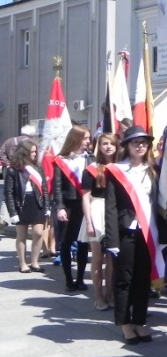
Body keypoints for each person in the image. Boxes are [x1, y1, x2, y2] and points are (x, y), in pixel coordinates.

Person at [104, 126, 159, 344]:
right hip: (125, 232)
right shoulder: (116, 171)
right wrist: (112, 240)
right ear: (127, 146)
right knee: (124, 279)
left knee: (143, 279)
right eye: (135, 142)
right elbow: (110, 207)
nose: (140, 146)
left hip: (148, 232)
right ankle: (125, 324)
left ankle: (139, 322)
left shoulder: (153, 169)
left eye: (144, 142)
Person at [53, 126, 93, 292]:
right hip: (68, 205)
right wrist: (60, 207)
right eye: (85, 138)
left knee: (83, 243)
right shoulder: (61, 160)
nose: (88, 141)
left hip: (85, 205)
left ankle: (80, 279)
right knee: (66, 242)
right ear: (75, 138)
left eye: (89, 138)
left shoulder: (91, 159)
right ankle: (69, 279)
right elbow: (57, 186)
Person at [82, 133, 119, 310]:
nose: (108, 147)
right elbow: (85, 197)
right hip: (96, 210)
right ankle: (99, 297)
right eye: (104, 143)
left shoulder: (122, 167)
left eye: (112, 143)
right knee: (97, 258)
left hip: (115, 211)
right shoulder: (91, 169)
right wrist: (89, 222)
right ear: (99, 146)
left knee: (112, 258)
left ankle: (110, 295)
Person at [4, 139, 49, 273]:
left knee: (38, 233)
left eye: (36, 151)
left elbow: (44, 189)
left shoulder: (38, 168)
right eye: (32, 152)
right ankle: (23, 263)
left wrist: (47, 207)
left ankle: (35, 262)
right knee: (21, 236)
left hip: (37, 202)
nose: (35, 154)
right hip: (21, 204)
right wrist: (12, 213)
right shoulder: (13, 170)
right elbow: (8, 193)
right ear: (24, 152)